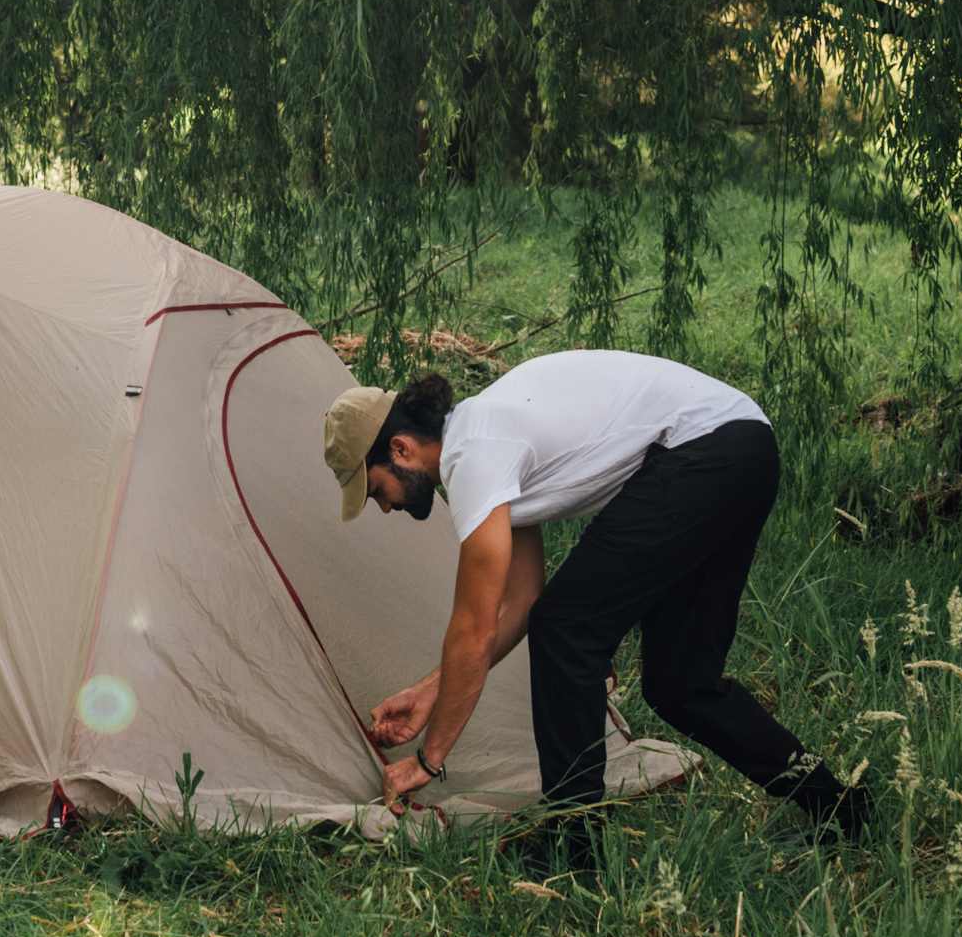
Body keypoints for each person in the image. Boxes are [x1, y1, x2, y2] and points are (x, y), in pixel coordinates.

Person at [323, 350, 868, 877]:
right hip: (742, 449)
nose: (385, 506)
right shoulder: (489, 441)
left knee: (568, 629)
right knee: (679, 684)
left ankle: (571, 845)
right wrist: (431, 692)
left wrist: (429, 759)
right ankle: (839, 806)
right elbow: (520, 603)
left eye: (374, 491)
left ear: (399, 449)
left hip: (706, 449)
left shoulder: (475, 454)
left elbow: (474, 626)